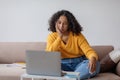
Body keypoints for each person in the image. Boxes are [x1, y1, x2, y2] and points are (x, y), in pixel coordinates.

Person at [46, 10, 100, 80]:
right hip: (61, 64)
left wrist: (92, 58)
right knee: (47, 66)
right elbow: (49, 54)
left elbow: (88, 51)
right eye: (59, 23)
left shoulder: (77, 35)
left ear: (69, 25)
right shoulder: (51, 36)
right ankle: (73, 77)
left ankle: (70, 78)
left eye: (65, 24)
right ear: (55, 23)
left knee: (97, 64)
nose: (61, 26)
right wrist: (59, 37)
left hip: (79, 63)